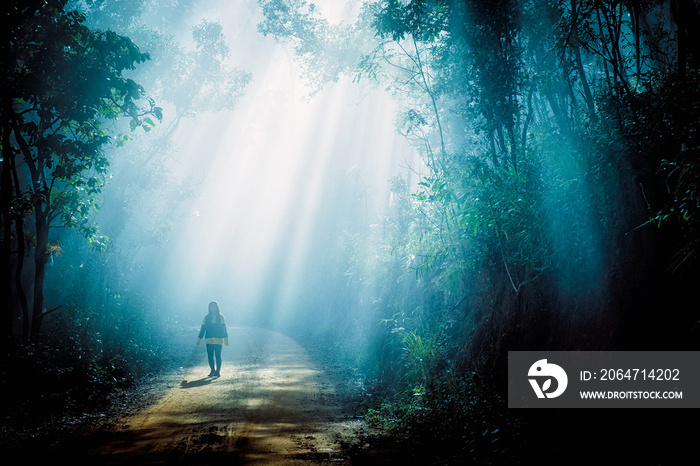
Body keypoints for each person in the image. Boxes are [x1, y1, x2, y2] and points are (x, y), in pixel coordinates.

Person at [196, 300, 229, 377]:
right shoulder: (206, 317)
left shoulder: (221, 317)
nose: (213, 308)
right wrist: (199, 339)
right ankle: (212, 370)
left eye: (214, 306)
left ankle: (218, 371)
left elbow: (224, 328)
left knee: (218, 355)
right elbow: (203, 329)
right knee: (210, 356)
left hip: (219, 339)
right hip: (209, 339)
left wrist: (226, 339)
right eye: (211, 306)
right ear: (209, 308)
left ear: (217, 307)